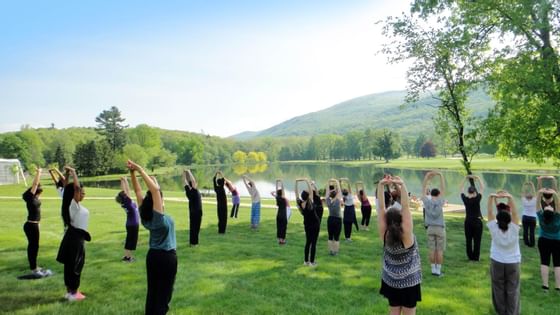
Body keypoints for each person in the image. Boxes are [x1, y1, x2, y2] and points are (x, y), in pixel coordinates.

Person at [128, 160, 177, 315]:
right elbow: (155, 190)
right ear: (158, 202)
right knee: (164, 293)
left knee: (153, 290)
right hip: (167, 258)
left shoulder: (145, 215)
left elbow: (137, 192)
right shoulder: (159, 218)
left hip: (153, 257)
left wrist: (132, 173)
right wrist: (140, 169)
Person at [377, 176, 422, 314]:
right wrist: (402, 184)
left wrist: (380, 185)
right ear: (401, 219)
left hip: (391, 282)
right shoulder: (406, 236)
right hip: (409, 283)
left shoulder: (385, 234)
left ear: (387, 221)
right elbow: (406, 206)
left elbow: (381, 207)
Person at [56, 166, 90, 301]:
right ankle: (73, 294)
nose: (83, 194)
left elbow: (66, 186)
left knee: (71, 265)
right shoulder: (73, 205)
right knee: (75, 266)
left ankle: (71, 292)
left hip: (74, 238)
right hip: (75, 240)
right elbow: (74, 188)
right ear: (75, 193)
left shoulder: (70, 204)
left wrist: (67, 174)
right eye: (82, 192)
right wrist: (75, 172)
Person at [487, 191, 521, 315]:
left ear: (497, 218)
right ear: (510, 218)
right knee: (512, 289)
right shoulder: (514, 228)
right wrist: (510, 197)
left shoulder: (494, 228)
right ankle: (512, 312)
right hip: (513, 262)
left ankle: (501, 312)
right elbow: (516, 213)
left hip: (497, 261)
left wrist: (491, 197)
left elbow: (489, 212)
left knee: (498, 288)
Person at [21, 167, 51, 278]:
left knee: (34, 246)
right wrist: (39, 173)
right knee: (33, 247)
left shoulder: (33, 198)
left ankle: (34, 267)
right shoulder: (30, 197)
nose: (40, 195)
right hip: (31, 225)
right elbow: (35, 184)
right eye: (39, 192)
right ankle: (34, 269)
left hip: (34, 225)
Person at [535, 188, 560, 292]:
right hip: (557, 241)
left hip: (543, 240)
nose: (549, 206)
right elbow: (558, 204)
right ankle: (558, 286)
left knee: (544, 262)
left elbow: (537, 204)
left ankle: (545, 286)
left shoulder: (541, 217)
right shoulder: (557, 217)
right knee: (558, 264)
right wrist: (554, 194)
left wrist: (540, 193)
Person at [422, 171, 446, 276]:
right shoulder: (440, 201)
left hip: (430, 228)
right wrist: (440, 175)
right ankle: (438, 270)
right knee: (439, 250)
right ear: (439, 194)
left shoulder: (427, 202)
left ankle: (433, 269)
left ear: (430, 194)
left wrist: (427, 177)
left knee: (432, 249)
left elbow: (423, 190)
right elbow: (443, 188)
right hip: (440, 228)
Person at [459, 175, 484, 262]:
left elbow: (460, 188)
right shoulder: (477, 199)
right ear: (474, 192)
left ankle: (470, 257)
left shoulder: (465, 200)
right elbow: (482, 188)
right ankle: (476, 258)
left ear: (468, 192)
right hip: (477, 222)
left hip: (468, 222)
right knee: (477, 241)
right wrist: (478, 178)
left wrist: (465, 178)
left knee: (468, 240)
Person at [115, 177, 140, 262]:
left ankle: (126, 256)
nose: (126, 194)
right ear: (124, 197)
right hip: (132, 224)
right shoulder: (127, 202)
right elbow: (127, 190)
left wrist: (122, 181)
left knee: (129, 240)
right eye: (125, 195)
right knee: (131, 241)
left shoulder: (125, 202)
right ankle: (128, 258)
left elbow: (124, 191)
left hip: (131, 224)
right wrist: (125, 181)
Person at [296, 178, 320, 266]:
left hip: (307, 225)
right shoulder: (310, 202)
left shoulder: (300, 204)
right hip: (315, 225)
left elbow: (296, 193)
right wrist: (307, 181)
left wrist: (296, 183)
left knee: (308, 242)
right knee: (313, 243)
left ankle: (306, 261)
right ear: (308, 196)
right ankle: (312, 262)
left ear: (302, 197)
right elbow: (310, 190)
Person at [183, 170, 203, 246]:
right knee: (196, 228)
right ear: (193, 185)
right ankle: (194, 243)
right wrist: (189, 171)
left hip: (192, 212)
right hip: (197, 212)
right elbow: (193, 181)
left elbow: (184, 181)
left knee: (193, 227)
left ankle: (192, 243)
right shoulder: (194, 190)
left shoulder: (188, 191)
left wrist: (184, 174)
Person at [325, 180, 342, 255]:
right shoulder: (338, 201)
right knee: (336, 237)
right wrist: (337, 182)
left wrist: (328, 183)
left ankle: (331, 251)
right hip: (337, 219)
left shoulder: (328, 201)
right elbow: (340, 192)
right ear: (336, 195)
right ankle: (335, 252)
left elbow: (326, 193)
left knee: (330, 237)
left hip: (330, 219)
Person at [521, 181, 537, 247]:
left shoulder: (524, 199)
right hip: (532, 218)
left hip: (525, 217)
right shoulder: (534, 200)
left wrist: (524, 185)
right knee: (532, 231)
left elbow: (522, 192)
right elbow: (534, 192)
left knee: (525, 230)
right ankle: (532, 244)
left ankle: (526, 242)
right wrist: (532, 185)